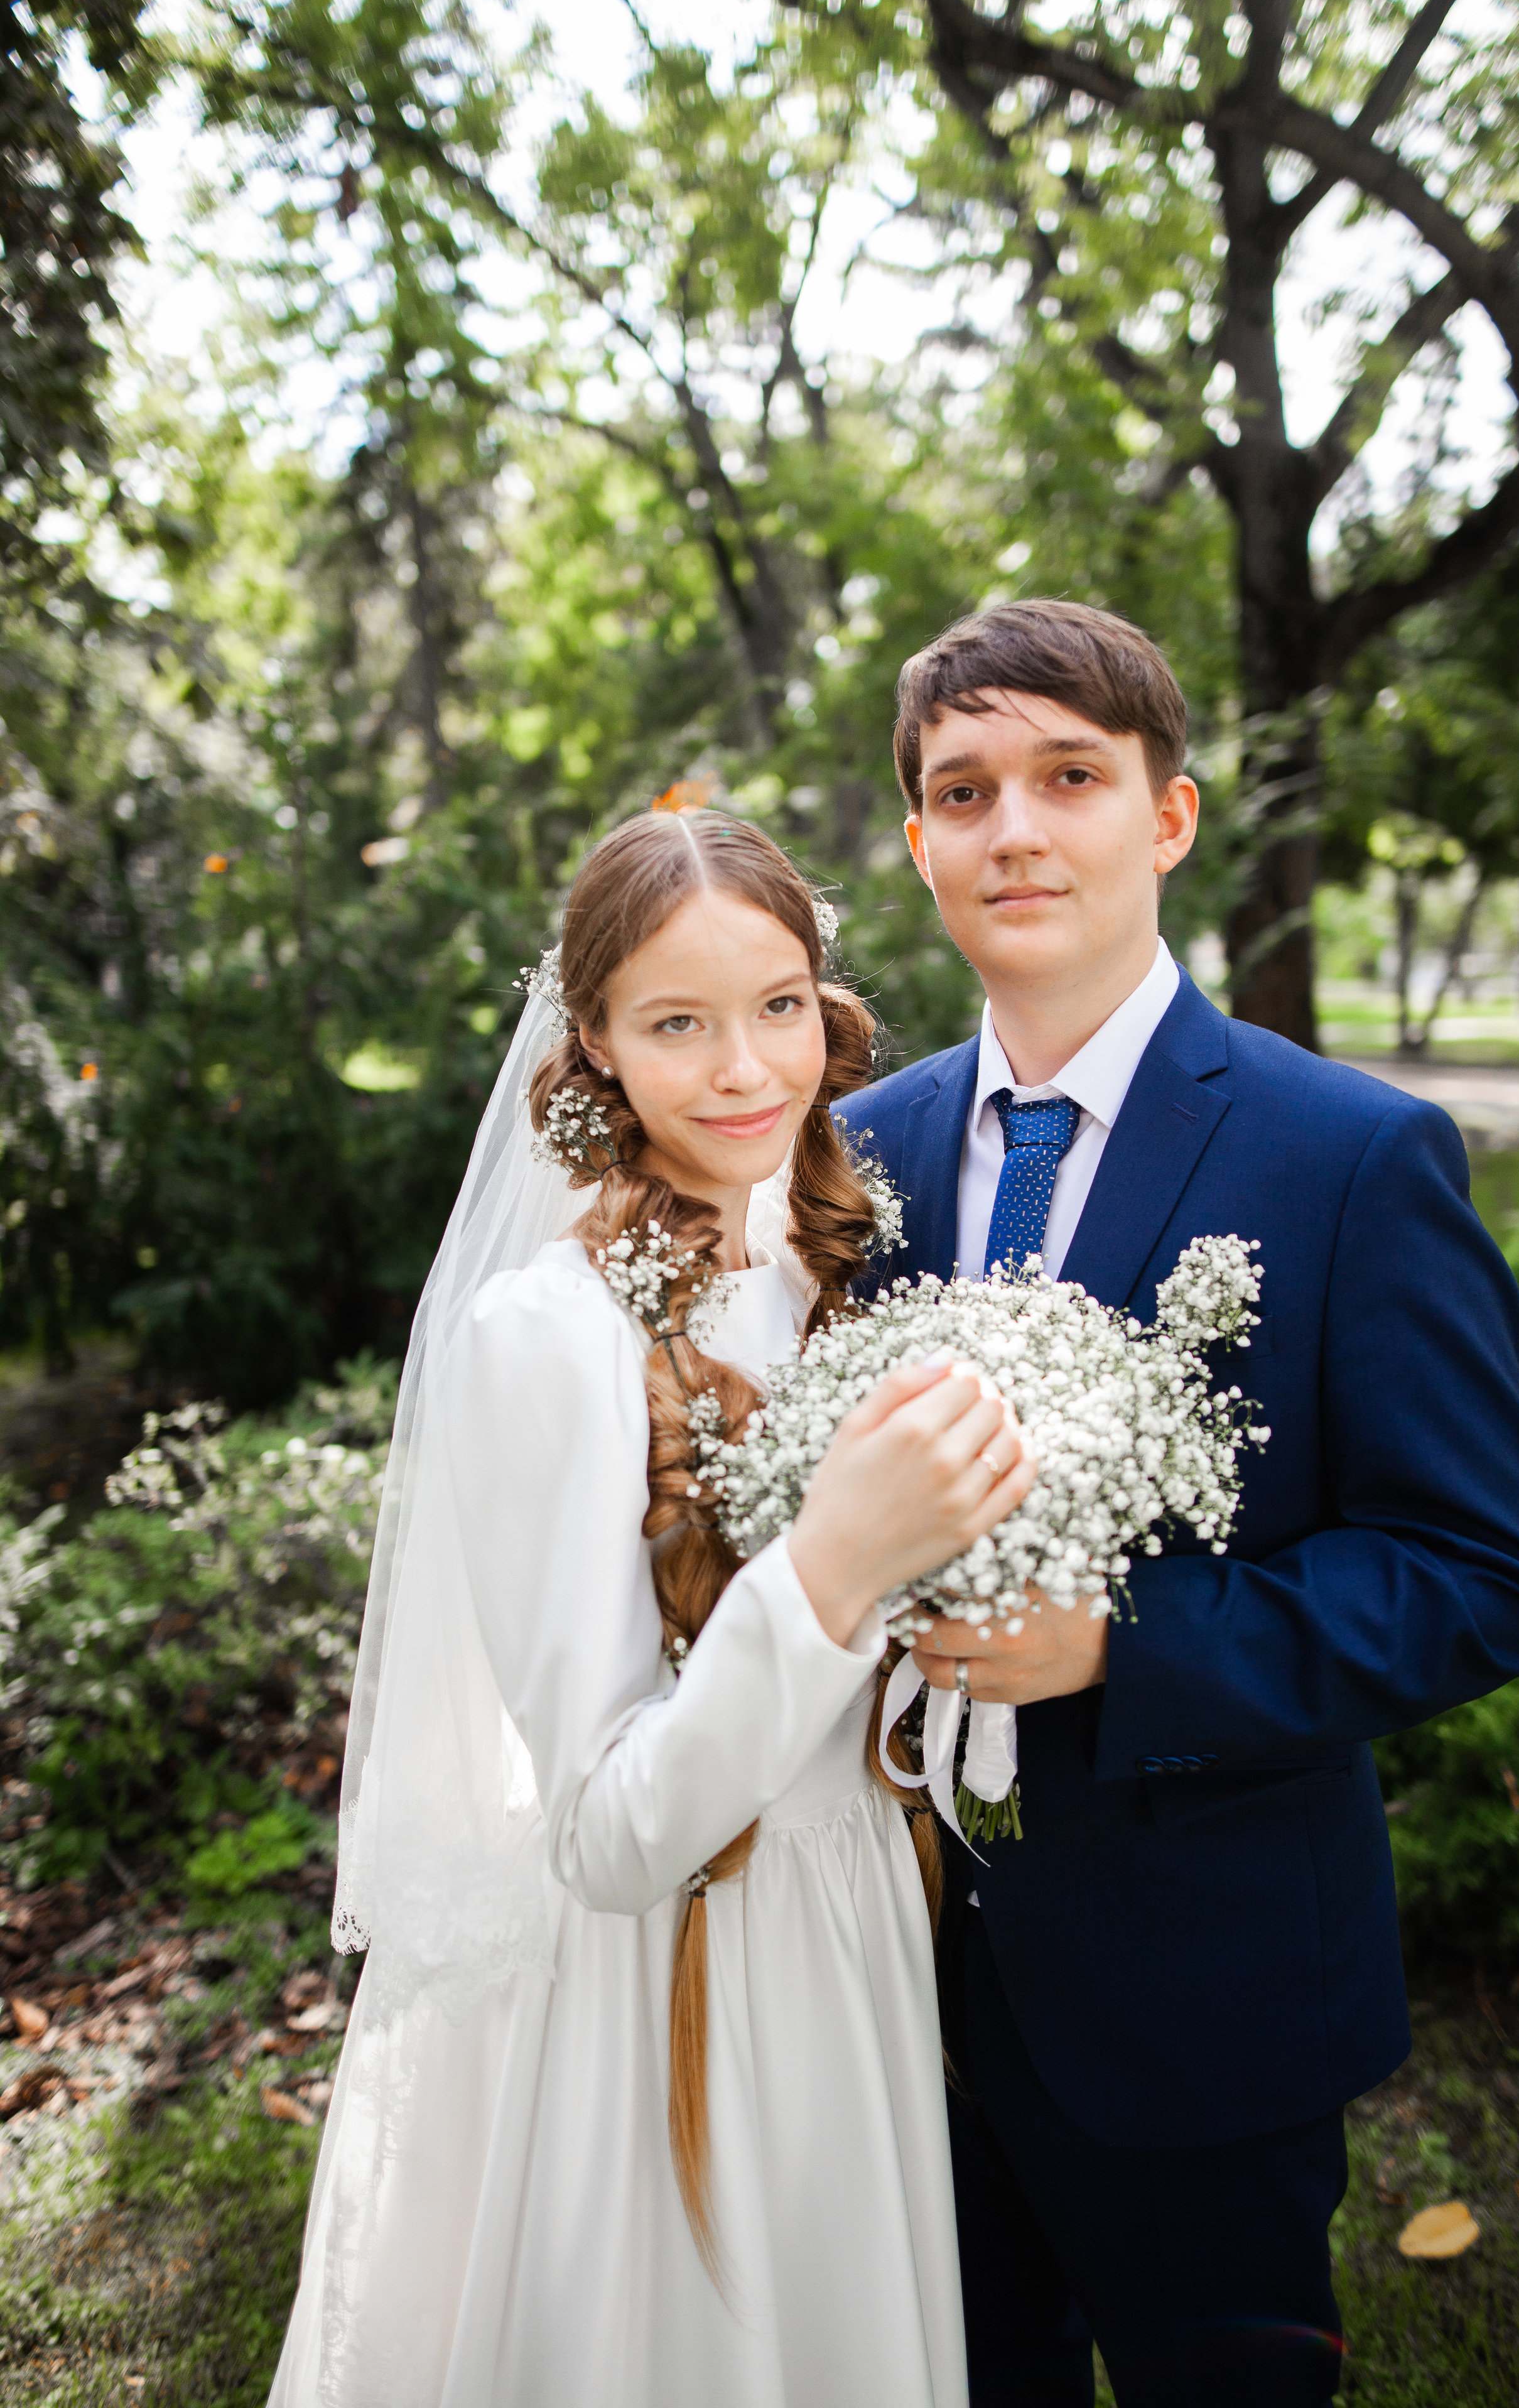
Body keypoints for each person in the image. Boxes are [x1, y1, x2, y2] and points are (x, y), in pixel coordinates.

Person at [833, 599, 1519, 2408]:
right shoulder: (860, 1153)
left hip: (1202, 2002)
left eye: (1069, 778)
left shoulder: (1346, 1156)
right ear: (919, 838)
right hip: (889, 1988)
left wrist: (1121, 1646)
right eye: (964, 789)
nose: (1015, 829)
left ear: (1166, 816)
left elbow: (1482, 1572)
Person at [269, 809, 1036, 2408]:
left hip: (847, 1925)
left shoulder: (828, 1259)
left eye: (775, 1006)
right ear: (596, 1049)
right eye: (674, 1025)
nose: (745, 1068)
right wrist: (835, 1565)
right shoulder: (542, 1336)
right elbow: (612, 1834)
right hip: (684, 1970)